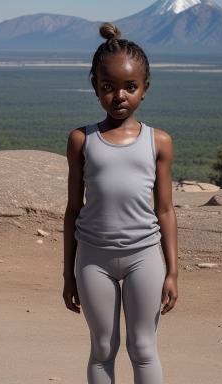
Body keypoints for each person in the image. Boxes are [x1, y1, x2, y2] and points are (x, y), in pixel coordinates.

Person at [63, 22, 178, 384]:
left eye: (130, 87)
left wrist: (173, 270)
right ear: (96, 88)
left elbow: (165, 210)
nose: (119, 96)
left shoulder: (159, 142)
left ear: (145, 90)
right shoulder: (82, 140)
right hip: (92, 259)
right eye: (107, 87)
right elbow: (72, 210)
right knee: (102, 348)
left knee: (143, 349)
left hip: (144, 256)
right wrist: (68, 273)